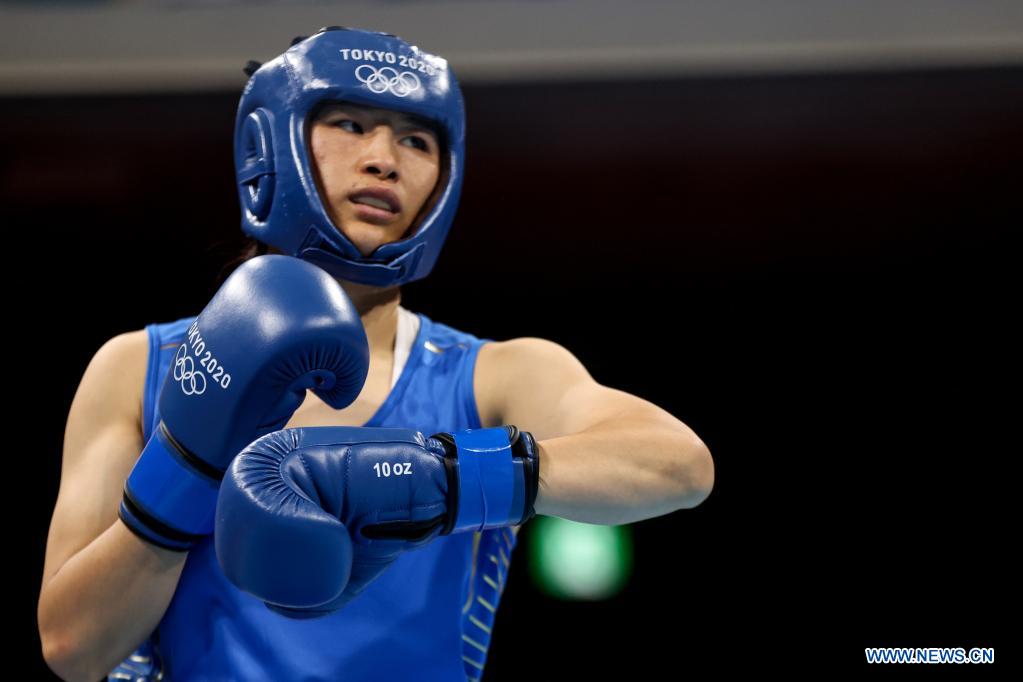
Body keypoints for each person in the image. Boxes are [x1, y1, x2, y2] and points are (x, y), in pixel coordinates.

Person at [38, 26, 715, 681]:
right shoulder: (140, 366)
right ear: (269, 144)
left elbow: (677, 464)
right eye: (351, 125)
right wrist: (186, 470)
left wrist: (435, 478)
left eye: (416, 139)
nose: (384, 159)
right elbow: (73, 647)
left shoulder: (492, 376)